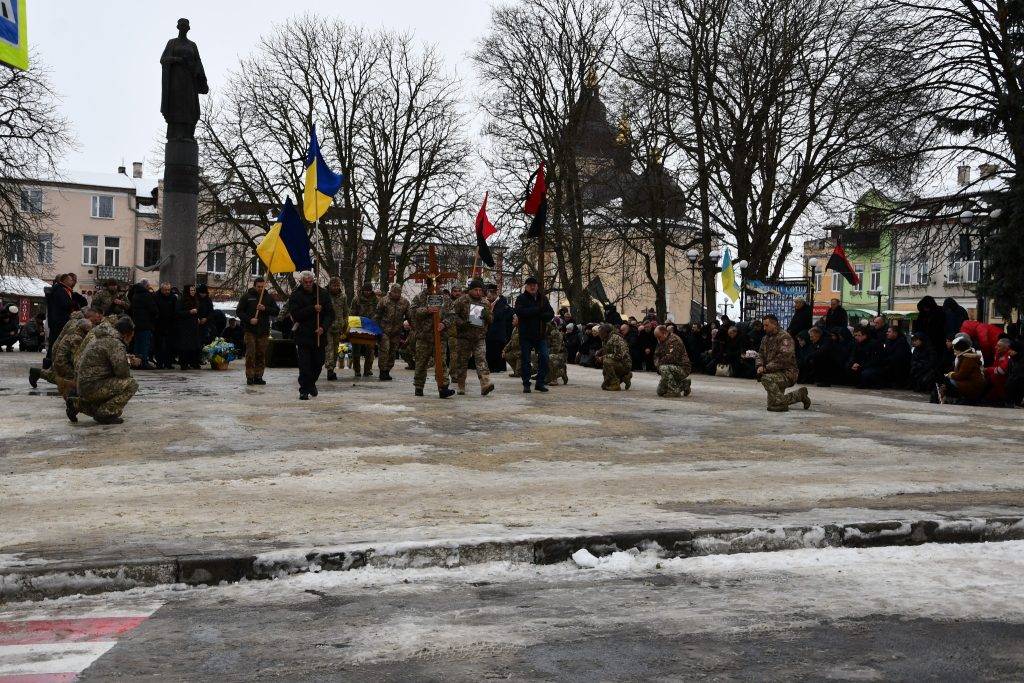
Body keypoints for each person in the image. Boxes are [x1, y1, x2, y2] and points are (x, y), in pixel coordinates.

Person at [66, 316, 140, 425]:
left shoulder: (104, 336)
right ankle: (104, 415)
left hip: (85, 384)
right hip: (92, 386)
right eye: (131, 337)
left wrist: (126, 358)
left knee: (116, 411)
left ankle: (77, 404)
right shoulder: (115, 343)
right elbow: (123, 373)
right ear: (126, 334)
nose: (131, 339)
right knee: (131, 384)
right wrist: (130, 362)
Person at [287, 271, 335, 400]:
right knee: (304, 364)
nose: (308, 284)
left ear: (313, 281)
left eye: (310, 282)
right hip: (303, 334)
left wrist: (323, 327)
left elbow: (330, 314)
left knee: (318, 363)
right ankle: (304, 390)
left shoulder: (322, 294)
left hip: (319, 335)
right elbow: (296, 315)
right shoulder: (296, 295)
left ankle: (311, 383)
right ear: (301, 282)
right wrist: (313, 309)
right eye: (305, 282)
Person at [755, 314, 810, 412]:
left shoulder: (785, 338)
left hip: (787, 373)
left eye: (766, 325)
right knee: (773, 403)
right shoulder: (765, 339)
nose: (764, 328)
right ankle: (800, 395)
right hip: (773, 372)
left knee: (766, 379)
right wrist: (759, 365)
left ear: (774, 324)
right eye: (764, 325)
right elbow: (760, 354)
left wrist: (766, 368)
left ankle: (782, 403)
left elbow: (784, 359)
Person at [410, 285, 456, 399]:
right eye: (432, 283)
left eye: (438, 282)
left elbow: (452, 315)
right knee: (421, 362)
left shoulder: (446, 299)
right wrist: (426, 310)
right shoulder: (420, 297)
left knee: (441, 362)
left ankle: (443, 387)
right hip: (423, 336)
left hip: (440, 336)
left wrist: (444, 324)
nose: (435, 286)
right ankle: (419, 387)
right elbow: (412, 312)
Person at [450, 278, 495, 395]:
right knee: (462, 361)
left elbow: (491, 320)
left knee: (481, 359)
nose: (478, 292)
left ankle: (485, 383)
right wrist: (462, 323)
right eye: (476, 290)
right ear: (470, 290)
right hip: (464, 337)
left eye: (480, 290)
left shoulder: (485, 303)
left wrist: (487, 315)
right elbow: (452, 316)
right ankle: (461, 385)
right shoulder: (461, 301)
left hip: (479, 337)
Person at [236, 276, 280, 386]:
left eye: (262, 286)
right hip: (250, 330)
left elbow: (276, 311)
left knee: (261, 354)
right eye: (258, 287)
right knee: (251, 354)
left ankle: (258, 376)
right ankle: (250, 376)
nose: (260, 288)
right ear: (254, 286)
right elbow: (239, 312)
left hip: (263, 331)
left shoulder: (268, 298)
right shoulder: (247, 296)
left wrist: (265, 309)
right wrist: (249, 319)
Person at [514, 276, 555, 393]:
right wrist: (537, 310)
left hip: (540, 334)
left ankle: (540, 382)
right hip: (526, 334)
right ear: (526, 286)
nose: (532, 287)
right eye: (530, 285)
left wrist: (542, 315)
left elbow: (550, 313)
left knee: (545, 357)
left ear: (537, 286)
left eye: (534, 284)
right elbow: (520, 312)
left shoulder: (543, 298)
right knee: (526, 359)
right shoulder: (521, 298)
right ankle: (526, 383)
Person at [937, 334, 985, 404]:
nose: (953, 349)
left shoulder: (967, 359)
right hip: (968, 381)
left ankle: (955, 398)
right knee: (946, 380)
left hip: (972, 385)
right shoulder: (963, 356)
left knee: (948, 381)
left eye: (955, 348)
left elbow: (961, 375)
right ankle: (946, 397)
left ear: (960, 349)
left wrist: (950, 374)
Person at [50, 318, 92, 398]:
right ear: (85, 330)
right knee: (83, 377)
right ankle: (72, 396)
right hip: (63, 365)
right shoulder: (77, 338)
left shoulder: (73, 332)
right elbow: (76, 358)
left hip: (59, 363)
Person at [376, 284, 410, 382]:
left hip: (396, 331)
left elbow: (409, 316)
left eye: (398, 292)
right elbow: (377, 315)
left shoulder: (404, 302)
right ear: (391, 291)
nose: (396, 294)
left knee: (392, 351)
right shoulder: (384, 301)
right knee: (384, 350)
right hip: (384, 330)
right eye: (394, 292)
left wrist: (414, 326)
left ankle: (387, 370)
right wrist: (376, 330)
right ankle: (382, 371)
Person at [653, 324, 692, 397]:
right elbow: (656, 355)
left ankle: (674, 390)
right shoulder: (661, 341)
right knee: (660, 391)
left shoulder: (674, 340)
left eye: (659, 337)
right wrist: (657, 364)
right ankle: (684, 384)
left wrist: (659, 365)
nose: (658, 340)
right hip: (669, 367)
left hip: (682, 368)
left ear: (664, 333)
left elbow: (671, 357)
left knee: (663, 368)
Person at [323, 278, 350, 382]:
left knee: (335, 349)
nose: (335, 287)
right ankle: (329, 369)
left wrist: (345, 325)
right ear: (329, 285)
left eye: (337, 285)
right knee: (329, 348)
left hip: (338, 326)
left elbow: (345, 311)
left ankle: (332, 367)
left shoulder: (343, 296)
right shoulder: (325, 295)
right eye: (333, 285)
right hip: (327, 326)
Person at [350, 283, 379, 378]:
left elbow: (378, 312)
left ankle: (367, 369)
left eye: (369, 291)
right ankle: (357, 370)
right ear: (363, 290)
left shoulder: (375, 300)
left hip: (371, 327)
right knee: (356, 350)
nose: (367, 292)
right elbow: (352, 312)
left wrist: (375, 322)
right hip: (358, 326)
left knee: (370, 350)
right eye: (366, 290)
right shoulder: (356, 299)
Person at [128, 280, 158, 369]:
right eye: (148, 286)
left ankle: (136, 363)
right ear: (146, 286)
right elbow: (153, 309)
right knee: (145, 344)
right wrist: (154, 316)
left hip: (136, 323)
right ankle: (143, 362)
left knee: (137, 344)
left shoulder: (135, 294)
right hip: (146, 323)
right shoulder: (146, 295)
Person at [174, 284, 206, 369]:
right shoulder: (181, 300)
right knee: (185, 346)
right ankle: (184, 363)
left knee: (194, 345)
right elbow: (178, 313)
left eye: (194, 290)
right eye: (191, 290)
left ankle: (194, 362)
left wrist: (198, 318)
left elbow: (198, 311)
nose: (193, 292)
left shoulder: (196, 300)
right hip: (185, 326)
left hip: (194, 326)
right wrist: (189, 312)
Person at [596, 323, 633, 391]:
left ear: (606, 332)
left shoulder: (616, 339)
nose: (599, 334)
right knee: (604, 386)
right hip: (616, 362)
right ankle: (625, 377)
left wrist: (603, 357)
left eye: (601, 332)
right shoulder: (605, 339)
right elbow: (608, 351)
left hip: (624, 364)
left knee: (607, 362)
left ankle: (615, 384)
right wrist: (599, 353)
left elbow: (619, 355)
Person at [485, 283, 513, 372]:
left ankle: (498, 367)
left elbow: (498, 315)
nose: (487, 296)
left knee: (497, 349)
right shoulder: (487, 302)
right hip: (489, 331)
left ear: (494, 293)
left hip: (498, 331)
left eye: (489, 293)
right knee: (490, 349)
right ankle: (491, 367)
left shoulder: (501, 302)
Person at [153, 282, 178, 369]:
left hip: (170, 324)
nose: (167, 291)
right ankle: (159, 363)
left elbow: (175, 310)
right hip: (159, 324)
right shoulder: (156, 296)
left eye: (169, 290)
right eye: (166, 290)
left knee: (169, 345)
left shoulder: (173, 297)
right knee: (159, 345)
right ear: (162, 289)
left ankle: (168, 363)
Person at [546, 320, 569, 385]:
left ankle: (558, 376)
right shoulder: (547, 333)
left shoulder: (555, 333)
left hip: (560, 354)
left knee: (550, 358)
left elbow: (556, 349)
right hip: (552, 352)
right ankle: (546, 376)